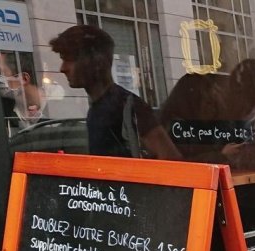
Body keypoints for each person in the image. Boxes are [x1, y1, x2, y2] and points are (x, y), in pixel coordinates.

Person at [50, 25, 180, 160]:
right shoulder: (98, 110)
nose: (62, 68)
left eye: (69, 59)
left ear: (96, 62)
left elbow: (171, 158)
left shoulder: (129, 107)